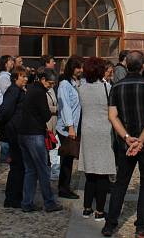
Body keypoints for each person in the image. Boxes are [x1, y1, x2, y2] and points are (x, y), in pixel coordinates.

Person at [101, 51, 144, 238]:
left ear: (126, 65)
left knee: (121, 183)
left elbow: (112, 116)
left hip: (124, 143)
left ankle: (110, 225)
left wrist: (127, 138)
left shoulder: (116, 87)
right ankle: (142, 226)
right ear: (142, 66)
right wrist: (140, 140)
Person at [18, 69, 63, 213]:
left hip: (24, 133)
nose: (51, 86)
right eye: (50, 83)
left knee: (30, 170)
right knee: (43, 170)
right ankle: (49, 202)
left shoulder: (31, 89)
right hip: (34, 134)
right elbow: (45, 115)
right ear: (43, 79)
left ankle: (27, 202)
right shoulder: (39, 92)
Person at [78, 58, 115, 220]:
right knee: (103, 173)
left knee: (90, 172)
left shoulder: (81, 88)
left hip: (88, 131)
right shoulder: (107, 88)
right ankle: (99, 211)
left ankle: (87, 208)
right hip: (104, 131)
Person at [0, 66, 28, 208]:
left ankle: (14, 196)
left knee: (18, 166)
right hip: (14, 132)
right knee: (17, 166)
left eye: (26, 76)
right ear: (15, 78)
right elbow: (6, 110)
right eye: (22, 76)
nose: (25, 79)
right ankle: (12, 198)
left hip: (17, 131)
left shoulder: (19, 91)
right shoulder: (14, 91)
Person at [56, 56, 83, 199]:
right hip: (66, 128)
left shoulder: (76, 82)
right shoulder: (64, 85)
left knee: (69, 158)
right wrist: (70, 127)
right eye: (78, 67)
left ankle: (65, 186)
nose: (81, 70)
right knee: (66, 158)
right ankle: (63, 188)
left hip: (75, 126)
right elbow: (65, 107)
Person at [0, 55, 14, 164]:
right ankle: (4, 156)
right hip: (4, 108)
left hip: (7, 108)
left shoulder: (7, 76)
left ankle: (7, 155)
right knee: (5, 133)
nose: (12, 63)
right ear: (5, 63)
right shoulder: (3, 77)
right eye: (10, 61)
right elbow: (8, 92)